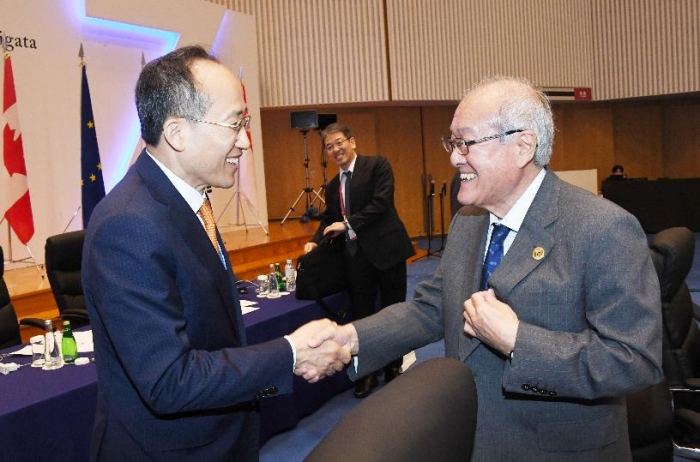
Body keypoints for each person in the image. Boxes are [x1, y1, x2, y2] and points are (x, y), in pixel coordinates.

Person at [310, 77, 663, 460]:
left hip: (557, 451)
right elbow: (433, 306)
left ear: (522, 146)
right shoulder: (469, 221)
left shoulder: (602, 227)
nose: (454, 157)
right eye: (452, 142)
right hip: (473, 443)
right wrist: (353, 338)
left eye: (466, 142)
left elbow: (633, 361)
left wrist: (518, 340)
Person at [82, 46, 349, 461]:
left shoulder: (188, 201)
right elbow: (169, 381)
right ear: (177, 134)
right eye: (234, 125)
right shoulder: (129, 225)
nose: (245, 141)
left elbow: (215, 339)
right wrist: (291, 354)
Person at [303, 123, 415, 398]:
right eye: (329, 147)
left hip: (388, 252)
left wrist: (347, 224)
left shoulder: (377, 165)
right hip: (355, 260)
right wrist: (315, 241)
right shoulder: (332, 186)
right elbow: (329, 218)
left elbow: (381, 203)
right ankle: (366, 373)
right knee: (362, 317)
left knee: (393, 314)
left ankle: (393, 367)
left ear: (352, 141)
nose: (335, 149)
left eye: (339, 142)